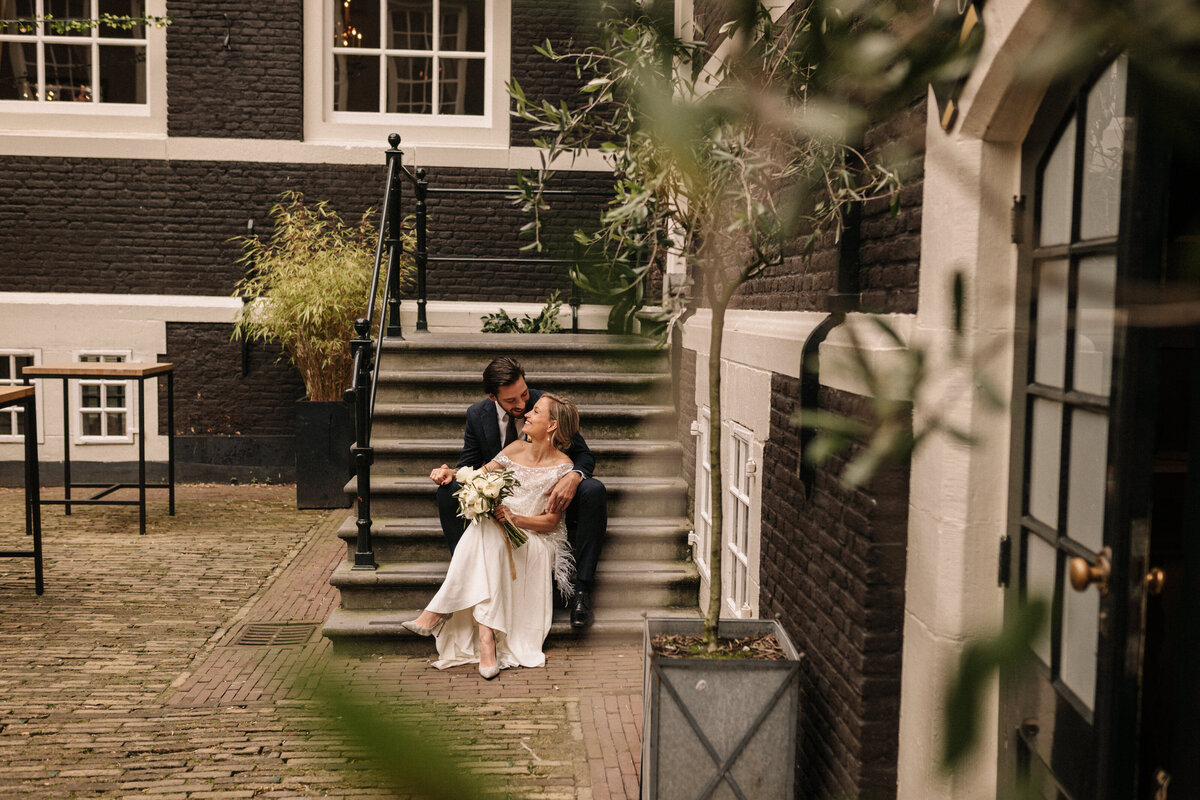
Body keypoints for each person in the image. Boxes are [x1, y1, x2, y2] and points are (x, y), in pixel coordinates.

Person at [404, 394, 580, 679]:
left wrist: (514, 519)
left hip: (533, 542)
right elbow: (478, 476)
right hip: (499, 532)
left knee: (485, 529)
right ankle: (487, 643)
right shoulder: (514, 448)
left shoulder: (564, 467)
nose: (527, 415)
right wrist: (449, 471)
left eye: (536, 412)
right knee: (486, 527)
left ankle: (436, 612)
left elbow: (550, 523)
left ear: (551, 426)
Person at [431, 357, 606, 628]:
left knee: (593, 489)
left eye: (524, 395)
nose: (523, 406)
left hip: (548, 496)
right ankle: (465, 577)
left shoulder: (547, 406)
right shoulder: (477, 415)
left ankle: (582, 590)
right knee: (448, 491)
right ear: (493, 397)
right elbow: (471, 466)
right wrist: (450, 472)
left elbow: (584, 455)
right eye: (512, 400)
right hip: (503, 498)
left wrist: (573, 476)